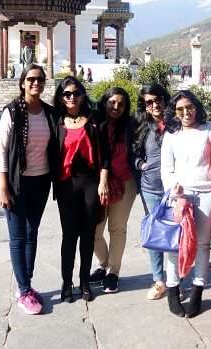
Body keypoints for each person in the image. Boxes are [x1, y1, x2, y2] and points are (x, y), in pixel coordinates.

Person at [0, 64, 59, 315]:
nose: (36, 83)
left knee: (33, 233)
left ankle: (26, 284)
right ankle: (24, 290)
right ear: (22, 82)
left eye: (40, 79)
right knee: (18, 237)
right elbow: (1, 151)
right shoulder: (12, 112)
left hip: (41, 181)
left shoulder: (49, 113)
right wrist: (2, 188)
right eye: (31, 79)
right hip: (15, 183)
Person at [160, 90, 211, 318]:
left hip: (207, 194)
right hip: (181, 196)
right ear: (175, 112)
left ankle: (197, 291)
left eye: (190, 107)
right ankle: (173, 289)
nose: (186, 113)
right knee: (177, 244)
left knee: (203, 244)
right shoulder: (171, 135)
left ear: (197, 107)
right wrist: (174, 190)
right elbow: (167, 168)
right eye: (181, 109)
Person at [54, 76, 108, 302]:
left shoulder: (94, 121)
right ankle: (67, 282)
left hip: (90, 182)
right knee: (69, 236)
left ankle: (85, 281)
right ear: (61, 97)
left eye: (76, 93)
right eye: (67, 94)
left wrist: (103, 182)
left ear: (83, 95)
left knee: (87, 234)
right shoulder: (56, 121)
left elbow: (105, 155)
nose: (72, 97)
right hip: (66, 184)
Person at [90, 87, 137, 294]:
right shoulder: (93, 123)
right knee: (93, 231)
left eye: (121, 103)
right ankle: (104, 262)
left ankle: (112, 272)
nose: (116, 107)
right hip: (98, 183)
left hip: (125, 183)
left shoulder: (131, 126)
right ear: (105, 102)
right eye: (112, 102)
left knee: (117, 228)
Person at [133, 84, 171, 300]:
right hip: (151, 189)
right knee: (155, 235)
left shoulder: (176, 124)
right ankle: (159, 280)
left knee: (176, 235)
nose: (155, 105)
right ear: (145, 106)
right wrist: (141, 165)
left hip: (175, 191)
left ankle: (175, 279)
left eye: (158, 100)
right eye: (149, 102)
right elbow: (134, 153)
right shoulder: (141, 126)